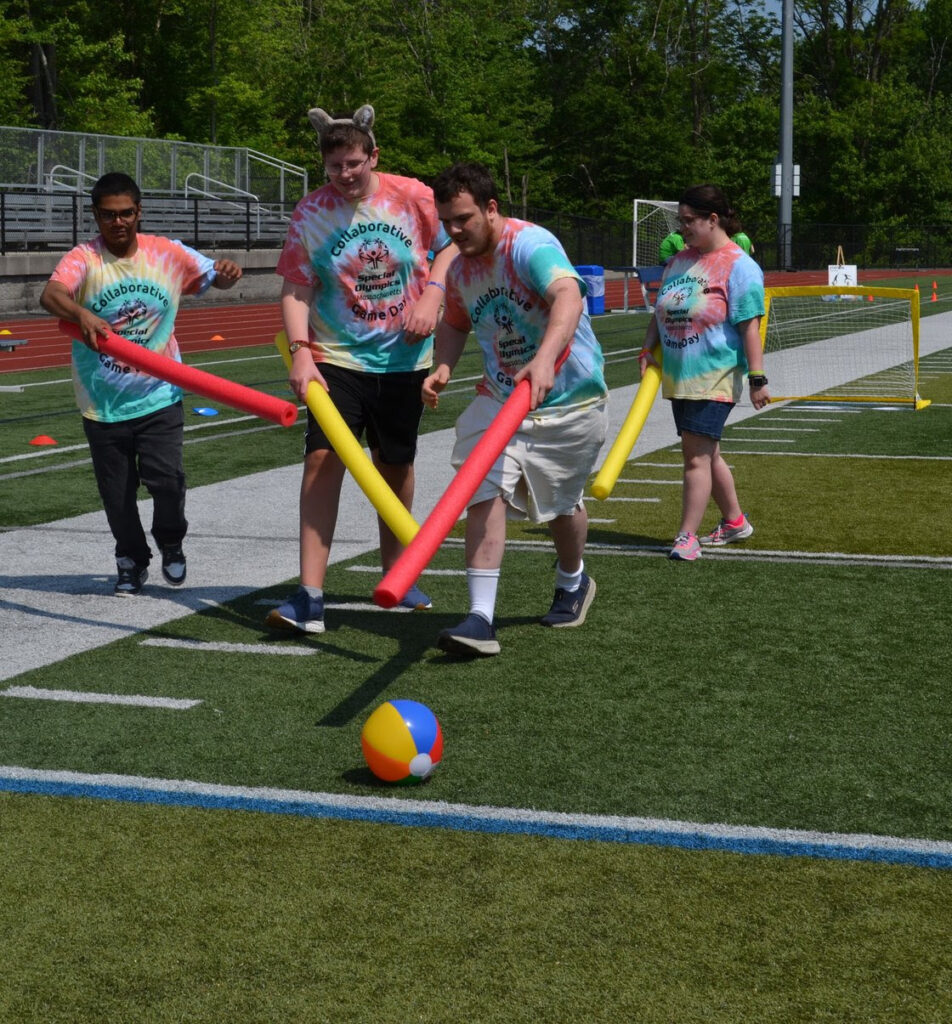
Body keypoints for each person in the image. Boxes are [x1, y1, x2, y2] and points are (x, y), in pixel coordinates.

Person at [268, 105, 456, 634]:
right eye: (334, 167)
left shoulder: (413, 196)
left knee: (394, 465)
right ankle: (310, 595)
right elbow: (296, 287)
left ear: (373, 156)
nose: (345, 175)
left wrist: (433, 294)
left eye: (353, 163)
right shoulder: (311, 212)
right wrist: (300, 351)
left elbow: (450, 248)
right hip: (337, 358)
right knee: (321, 459)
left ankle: (399, 573)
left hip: (404, 358)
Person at [423, 161, 609, 657]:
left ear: (490, 208)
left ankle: (573, 579)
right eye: (446, 221)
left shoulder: (530, 245)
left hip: (569, 399)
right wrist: (443, 367)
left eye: (463, 218)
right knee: (482, 489)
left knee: (561, 507)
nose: (454, 231)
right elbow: (456, 321)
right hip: (500, 398)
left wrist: (544, 359)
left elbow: (568, 294)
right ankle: (480, 618)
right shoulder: (460, 268)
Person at [39, 171, 242, 596]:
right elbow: (51, 295)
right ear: (96, 215)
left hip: (159, 396)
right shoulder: (85, 258)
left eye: (126, 213)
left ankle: (171, 542)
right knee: (117, 495)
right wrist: (81, 314)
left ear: (139, 212)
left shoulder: (166, 253)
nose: (118, 222)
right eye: (108, 215)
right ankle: (131, 559)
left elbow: (215, 277)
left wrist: (227, 272)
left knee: (167, 481)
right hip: (102, 403)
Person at [639, 184, 768, 562]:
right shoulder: (679, 261)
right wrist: (647, 348)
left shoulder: (740, 266)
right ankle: (735, 521)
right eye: (680, 221)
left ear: (713, 220)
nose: (682, 229)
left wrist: (757, 378)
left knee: (695, 456)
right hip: (679, 374)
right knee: (707, 454)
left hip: (714, 374)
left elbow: (750, 326)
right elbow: (660, 311)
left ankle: (687, 537)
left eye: (688, 221)